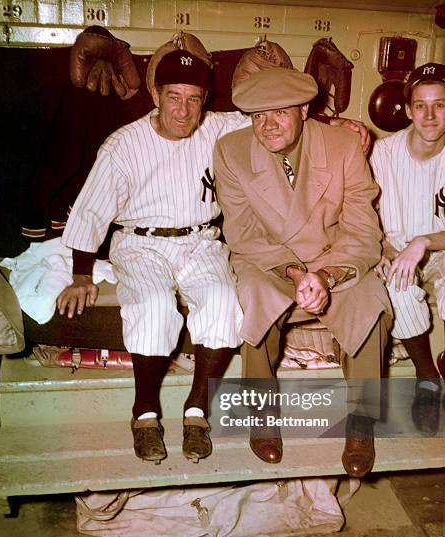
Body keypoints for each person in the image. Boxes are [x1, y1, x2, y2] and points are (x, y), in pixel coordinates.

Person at [58, 39, 371, 466]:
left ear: (205, 102)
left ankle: (197, 410)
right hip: (141, 242)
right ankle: (145, 414)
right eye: (173, 98)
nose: (184, 111)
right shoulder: (122, 146)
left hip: (201, 240)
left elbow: (279, 116)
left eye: (194, 100)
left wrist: (343, 124)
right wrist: (80, 274)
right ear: (156, 96)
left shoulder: (219, 129)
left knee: (226, 303)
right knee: (153, 307)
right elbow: (91, 210)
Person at [214, 67, 392, 475]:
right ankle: (260, 411)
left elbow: (363, 229)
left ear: (305, 110)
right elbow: (242, 233)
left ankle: (361, 422)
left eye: (279, 112)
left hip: (336, 258)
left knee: (371, 301)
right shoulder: (231, 151)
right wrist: (295, 273)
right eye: (258, 116)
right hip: (271, 260)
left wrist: (327, 275)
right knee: (256, 298)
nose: (268, 126)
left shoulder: (344, 146)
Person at [371, 62, 445, 434]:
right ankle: (427, 376)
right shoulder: (384, 154)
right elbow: (368, 215)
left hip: (442, 246)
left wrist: (424, 242)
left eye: (439, 105)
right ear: (407, 110)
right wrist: (386, 252)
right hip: (396, 248)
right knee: (398, 284)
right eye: (420, 105)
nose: (429, 114)